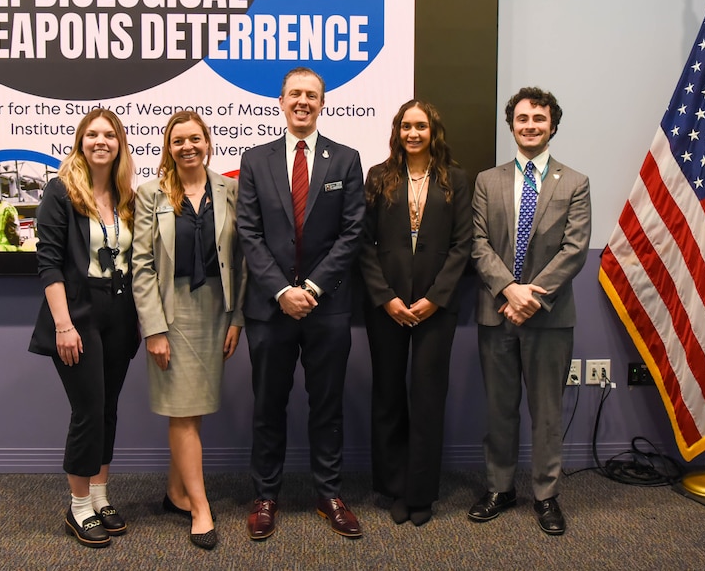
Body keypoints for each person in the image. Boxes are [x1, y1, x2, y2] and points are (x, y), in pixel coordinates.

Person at [236, 67, 366, 541]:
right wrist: (281, 291)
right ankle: (266, 495)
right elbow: (248, 232)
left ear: (323, 103)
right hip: (269, 309)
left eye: (312, 95)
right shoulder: (256, 160)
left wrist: (311, 289)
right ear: (281, 101)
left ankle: (328, 494)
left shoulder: (346, 160)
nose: (303, 102)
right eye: (295, 94)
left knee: (327, 406)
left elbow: (352, 233)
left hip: (326, 308)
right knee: (268, 405)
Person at [468, 87, 591, 536]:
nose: (530, 125)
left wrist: (532, 297)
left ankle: (546, 495)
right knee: (499, 409)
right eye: (522, 118)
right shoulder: (487, 180)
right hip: (495, 311)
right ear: (512, 124)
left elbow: (575, 250)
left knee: (547, 411)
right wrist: (508, 290)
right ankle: (500, 489)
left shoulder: (575, 182)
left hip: (549, 317)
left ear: (552, 126)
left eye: (539, 119)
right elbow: (477, 244)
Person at [131, 111, 245, 551]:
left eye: (194, 138)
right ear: (169, 147)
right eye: (178, 141)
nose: (187, 147)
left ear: (208, 142)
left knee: (192, 409)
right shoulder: (150, 194)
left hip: (216, 309)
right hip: (172, 313)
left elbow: (242, 261)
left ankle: (176, 493)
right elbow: (141, 266)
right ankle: (200, 507)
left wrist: (237, 318)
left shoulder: (230, 190)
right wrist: (154, 329)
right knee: (182, 409)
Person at [358, 100, 472, 526]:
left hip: (435, 308)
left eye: (420, 126)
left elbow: (464, 245)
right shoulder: (379, 177)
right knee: (387, 395)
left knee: (426, 398)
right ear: (397, 131)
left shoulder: (456, 180)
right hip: (387, 307)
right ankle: (394, 487)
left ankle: (421, 492)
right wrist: (385, 297)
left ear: (433, 131)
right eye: (406, 126)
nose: (413, 133)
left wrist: (436, 297)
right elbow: (363, 244)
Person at [29, 109, 139, 549]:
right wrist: (63, 325)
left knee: (108, 407)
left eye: (109, 135)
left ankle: (99, 495)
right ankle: (78, 507)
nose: (100, 141)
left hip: (120, 313)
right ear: (80, 142)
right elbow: (48, 261)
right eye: (92, 134)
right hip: (76, 313)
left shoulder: (125, 193)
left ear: (119, 143)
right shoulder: (61, 191)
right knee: (88, 410)